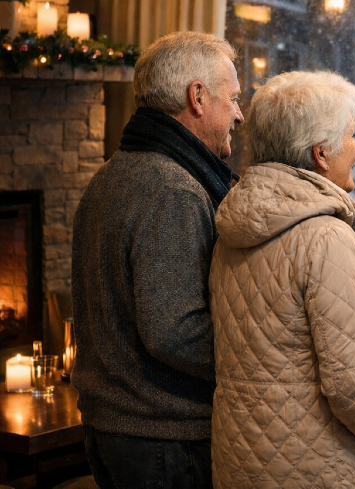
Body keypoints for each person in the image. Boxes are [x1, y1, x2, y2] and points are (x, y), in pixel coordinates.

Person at [208, 71, 355, 488]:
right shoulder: (325, 236)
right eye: (350, 136)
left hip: (247, 461)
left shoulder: (233, 230)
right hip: (324, 467)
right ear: (320, 154)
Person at [71, 31, 244, 489]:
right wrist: (261, 359)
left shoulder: (111, 173)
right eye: (234, 99)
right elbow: (175, 331)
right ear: (198, 97)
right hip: (164, 439)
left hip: (122, 429)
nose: (239, 115)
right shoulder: (173, 189)